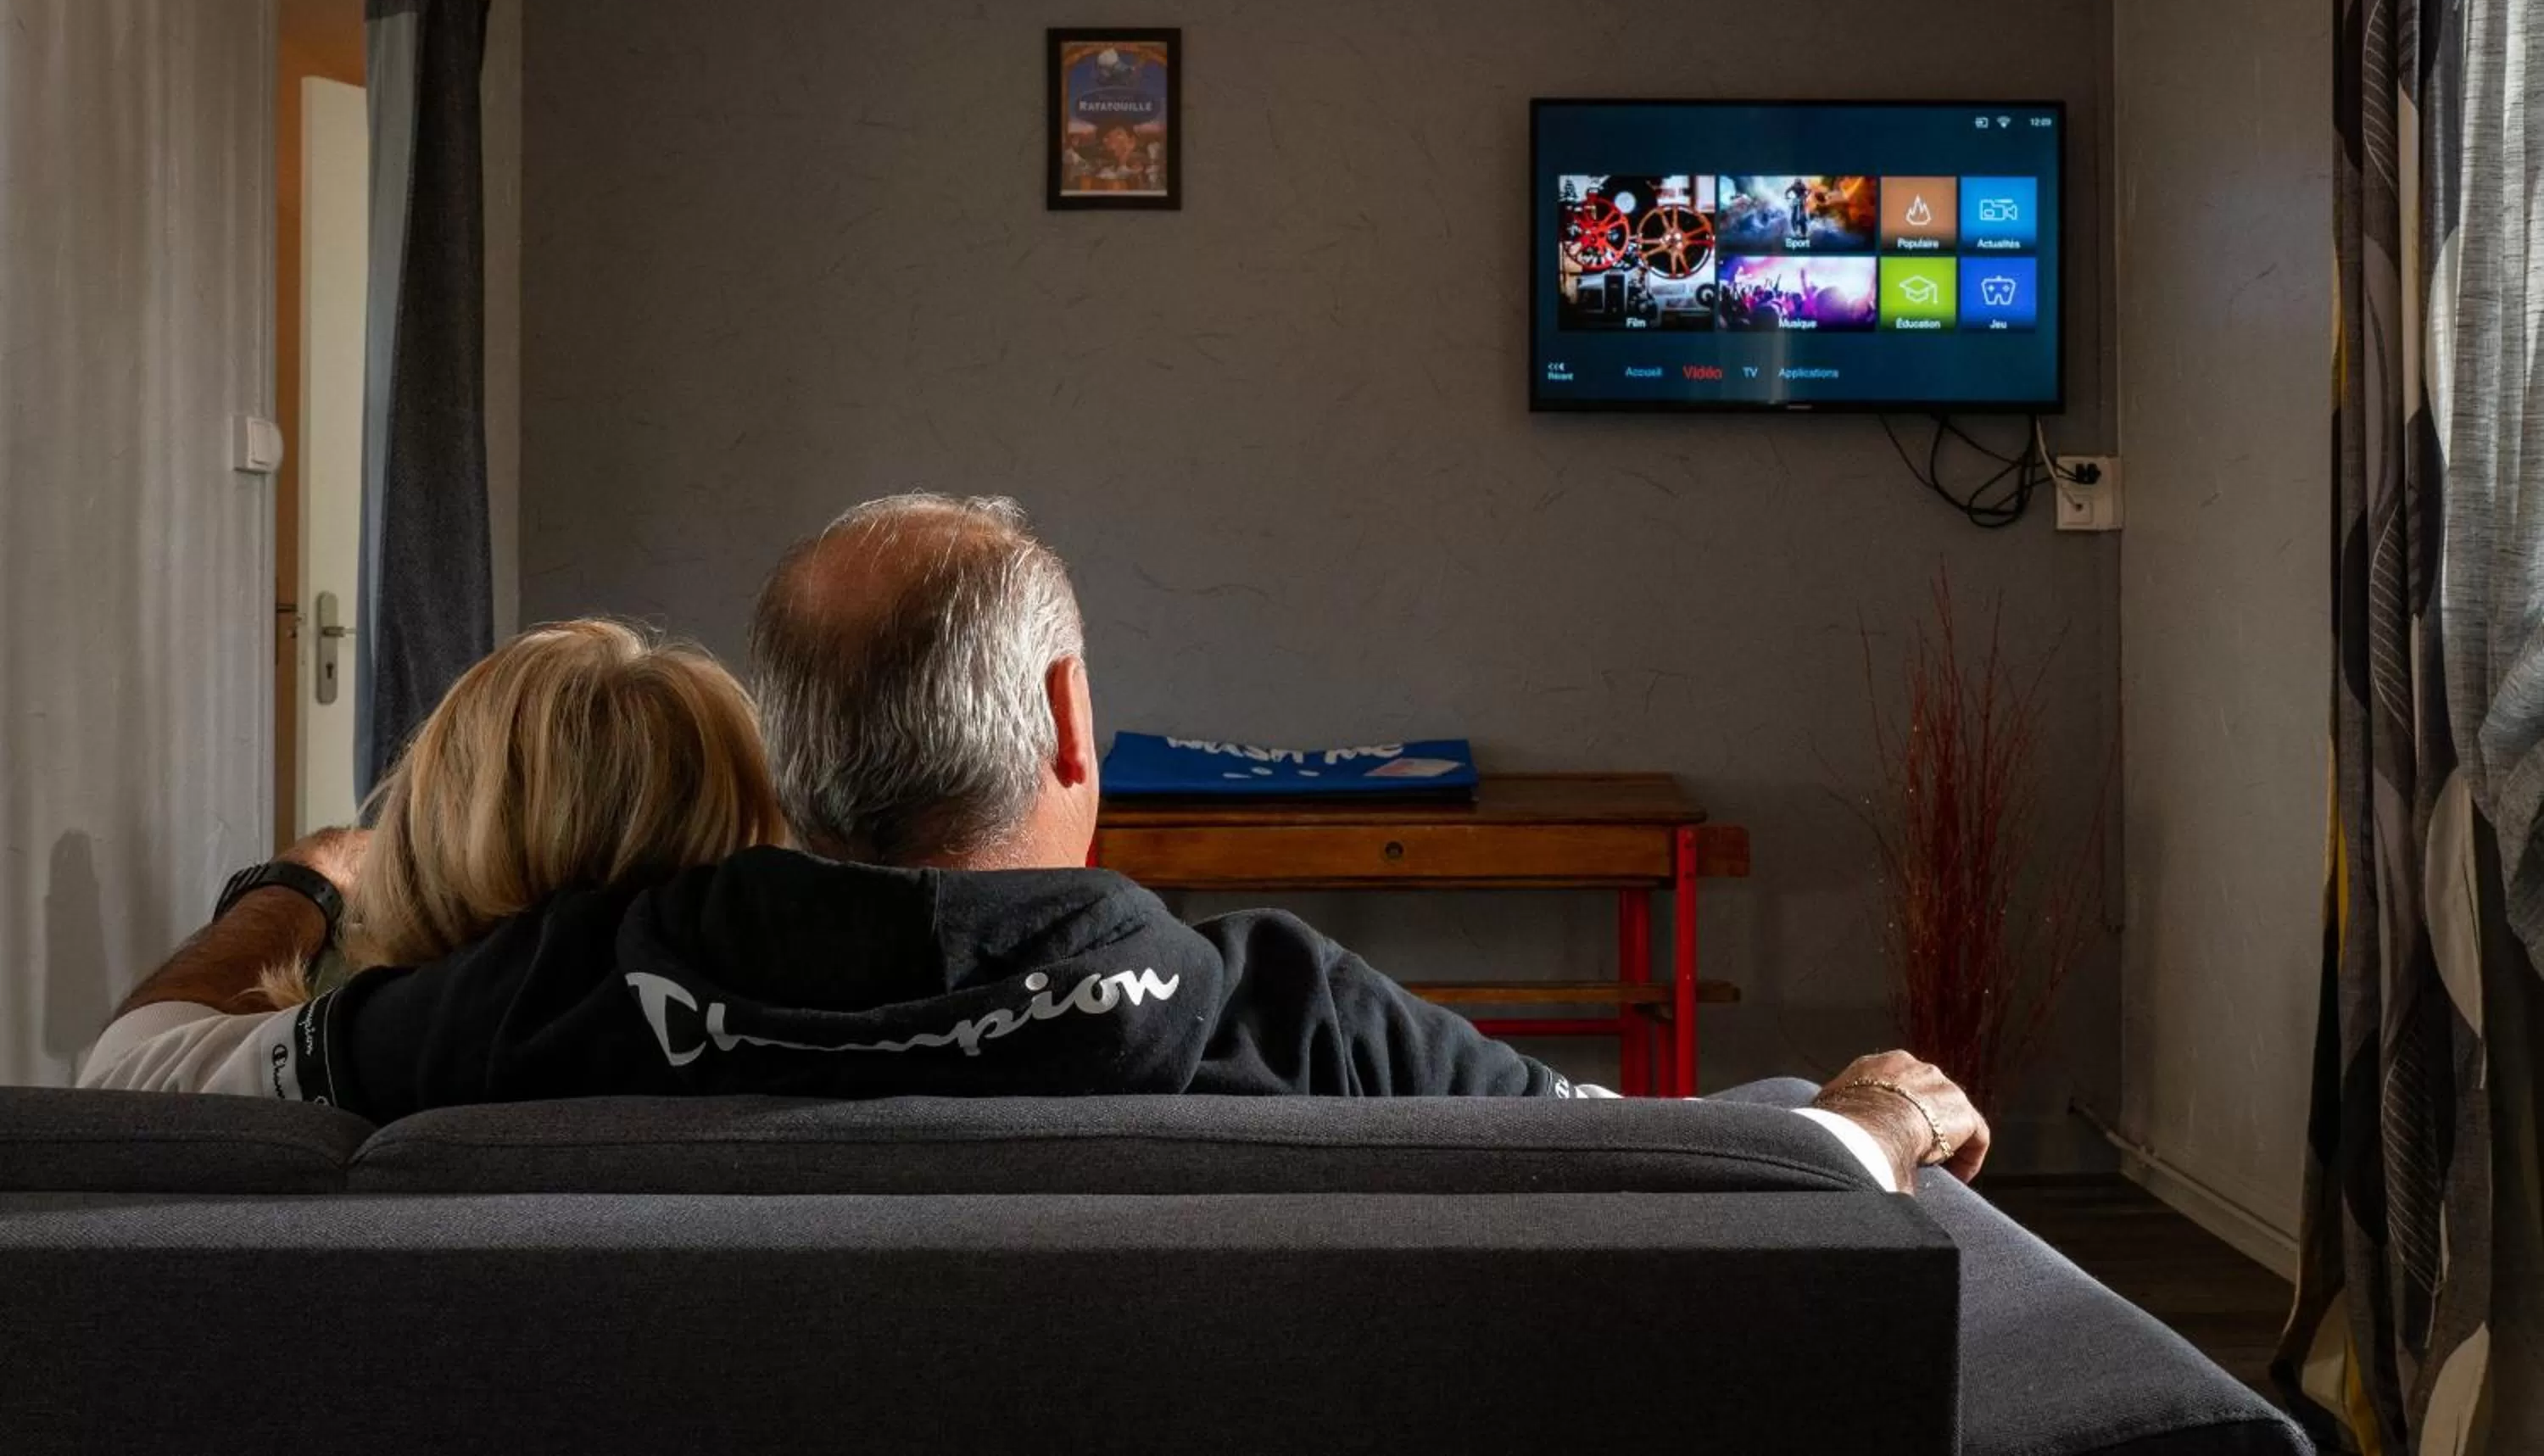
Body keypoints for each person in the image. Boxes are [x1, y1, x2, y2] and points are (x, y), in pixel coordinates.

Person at [81, 495, 1988, 1194]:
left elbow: (140, 1077)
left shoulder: (531, 997)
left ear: (794, 753)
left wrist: (308, 880)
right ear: (1074, 723)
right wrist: (1878, 1108)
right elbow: (1716, 1178)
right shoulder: (1291, 1012)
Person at [76, 618, 784, 1091]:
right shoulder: (791, 1048)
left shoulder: (395, 1047)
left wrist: (306, 876)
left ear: (438, 827)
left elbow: (121, 1080)